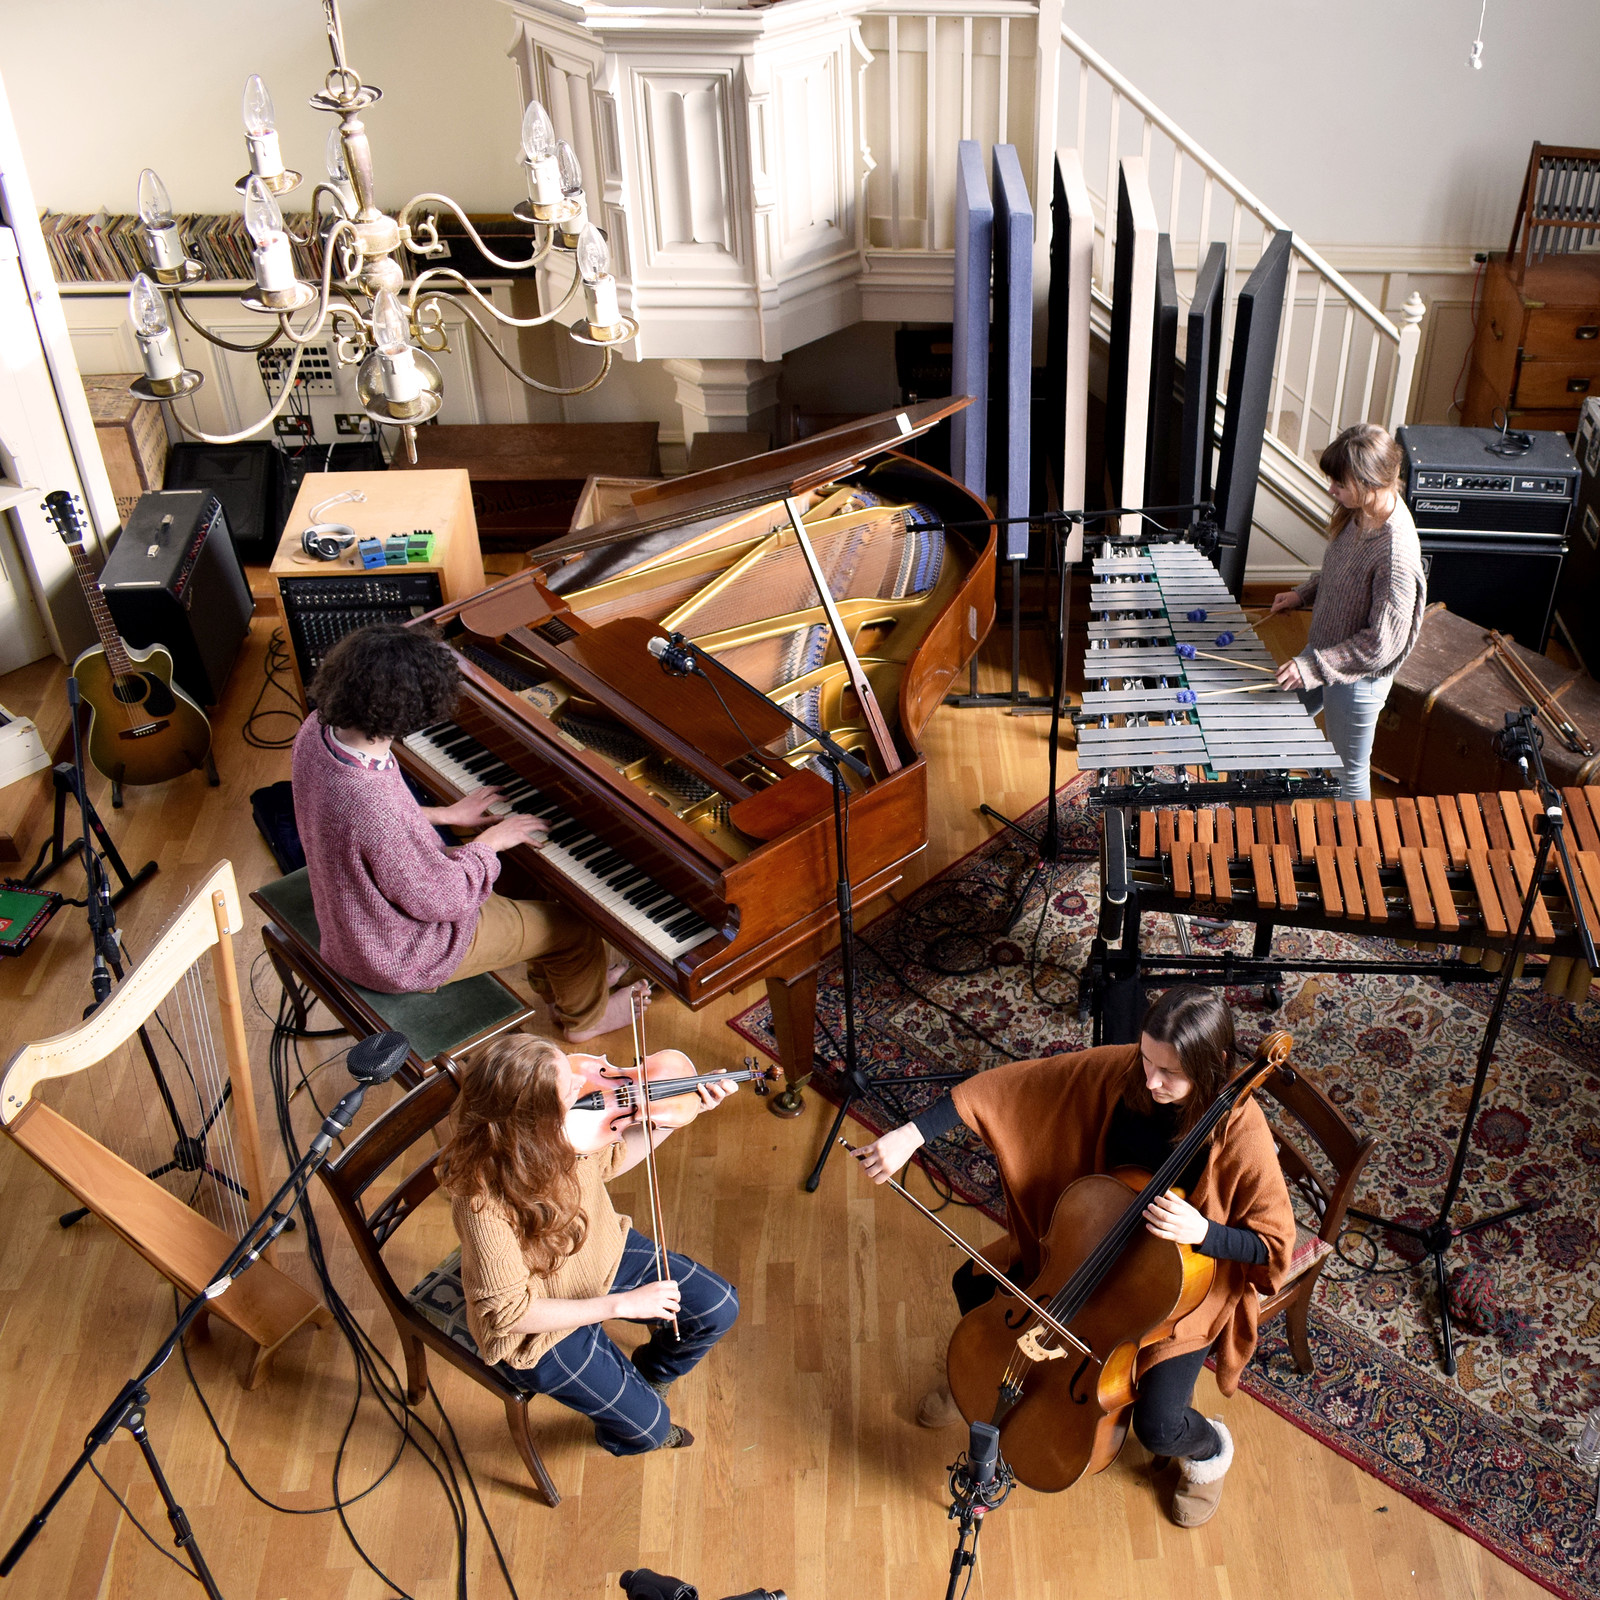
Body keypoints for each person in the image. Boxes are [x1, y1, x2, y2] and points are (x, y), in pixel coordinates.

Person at [852, 987, 1295, 1528]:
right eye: (1146, 1059)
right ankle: (984, 1379)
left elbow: (1273, 1249)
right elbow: (1011, 1087)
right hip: (1086, 1246)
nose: (1150, 1082)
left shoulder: (1242, 1133)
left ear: (1211, 1066)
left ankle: (1206, 1454)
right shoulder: (1124, 1072)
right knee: (972, 1284)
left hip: (1168, 1295)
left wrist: (1205, 1231)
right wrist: (911, 1135)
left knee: (1157, 1425)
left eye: (1169, 1075)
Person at [292, 623, 641, 1040]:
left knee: (533, 888)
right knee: (577, 927)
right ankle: (587, 1021)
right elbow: (441, 900)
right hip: (398, 950)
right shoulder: (370, 802)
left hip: (360, 919)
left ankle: (575, 983)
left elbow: (359, 825)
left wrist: (443, 814)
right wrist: (488, 844)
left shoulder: (318, 729)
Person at [440, 1033, 739, 1455]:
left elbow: (612, 1159)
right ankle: (630, 1420)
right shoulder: (479, 1203)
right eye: (569, 1088)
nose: (583, 1085)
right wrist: (623, 1306)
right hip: (538, 1329)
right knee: (651, 1431)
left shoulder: (564, 1132)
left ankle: (650, 1375)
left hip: (600, 1251)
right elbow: (510, 1314)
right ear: (533, 1116)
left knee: (718, 1307)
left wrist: (669, 1115)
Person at [1268, 422, 1425, 801]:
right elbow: (1342, 573)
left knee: (1347, 774)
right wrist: (1302, 594)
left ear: (1370, 482)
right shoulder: (1359, 513)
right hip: (1325, 653)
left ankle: (1357, 852)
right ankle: (1266, 806)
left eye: (1339, 483)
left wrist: (1312, 667)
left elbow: (1380, 645)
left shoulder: (1395, 552)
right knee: (1274, 727)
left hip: (1358, 679)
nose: (1331, 490)